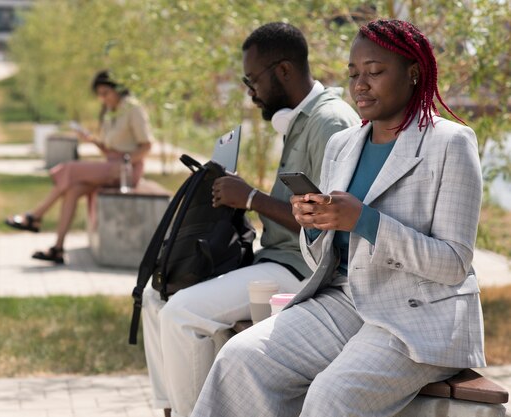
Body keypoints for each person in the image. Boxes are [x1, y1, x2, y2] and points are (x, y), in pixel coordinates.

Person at [191, 18, 485, 417]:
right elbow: (323, 257)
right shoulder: (342, 145)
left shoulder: (450, 143)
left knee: (333, 396)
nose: (360, 84)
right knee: (240, 358)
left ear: (414, 73)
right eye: (353, 74)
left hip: (420, 314)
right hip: (346, 300)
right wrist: (314, 223)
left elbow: (453, 264)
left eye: (375, 72)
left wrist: (365, 220)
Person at [142, 22, 360, 417]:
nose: (250, 91)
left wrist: (252, 197)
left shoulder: (329, 122)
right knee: (155, 296)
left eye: (252, 79)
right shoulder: (302, 120)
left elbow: (330, 224)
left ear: (283, 71)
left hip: (301, 272)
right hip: (271, 260)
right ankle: (173, 409)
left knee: (181, 314)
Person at [5, 70, 153, 264]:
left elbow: (146, 146)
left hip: (128, 169)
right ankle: (57, 249)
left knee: (69, 169)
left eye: (105, 93)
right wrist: (92, 140)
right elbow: (110, 149)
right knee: (73, 189)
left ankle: (35, 216)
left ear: (118, 89)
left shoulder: (133, 108)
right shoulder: (110, 111)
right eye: (99, 94)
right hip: (111, 165)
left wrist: (125, 162)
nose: (102, 98)